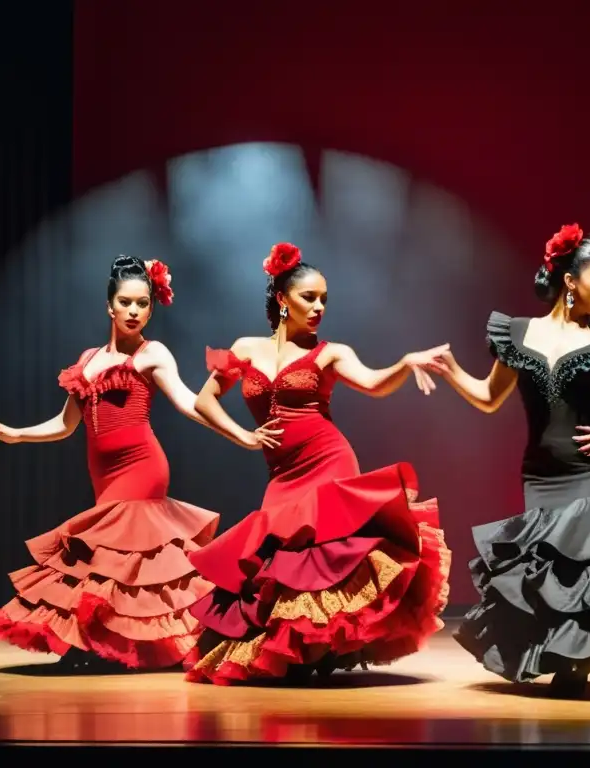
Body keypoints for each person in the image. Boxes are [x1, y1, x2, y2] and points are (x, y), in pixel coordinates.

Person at [182, 243, 452, 685]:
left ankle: (322, 649)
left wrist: (404, 363)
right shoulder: (245, 349)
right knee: (281, 561)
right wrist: (245, 436)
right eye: (310, 297)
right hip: (282, 473)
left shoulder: (331, 352)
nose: (320, 306)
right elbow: (204, 400)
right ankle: (297, 650)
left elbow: (373, 384)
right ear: (283, 300)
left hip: (329, 460)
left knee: (327, 556)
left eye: (325, 298)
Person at [429, 224, 590, 697]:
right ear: (570, 280)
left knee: (584, 571)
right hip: (540, 474)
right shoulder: (518, 333)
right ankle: (562, 660)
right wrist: (453, 371)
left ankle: (573, 668)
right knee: (549, 574)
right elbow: (488, 397)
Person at [0, 256, 222, 671]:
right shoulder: (89, 358)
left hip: (143, 467)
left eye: (143, 304)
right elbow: (64, 424)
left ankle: (100, 646)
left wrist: (234, 430)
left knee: (118, 556)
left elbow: (188, 403)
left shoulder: (153, 354)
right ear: (110, 306)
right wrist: (17, 433)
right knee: (109, 560)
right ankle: (103, 643)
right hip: (104, 475)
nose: (134, 311)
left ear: (151, 308)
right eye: (126, 303)